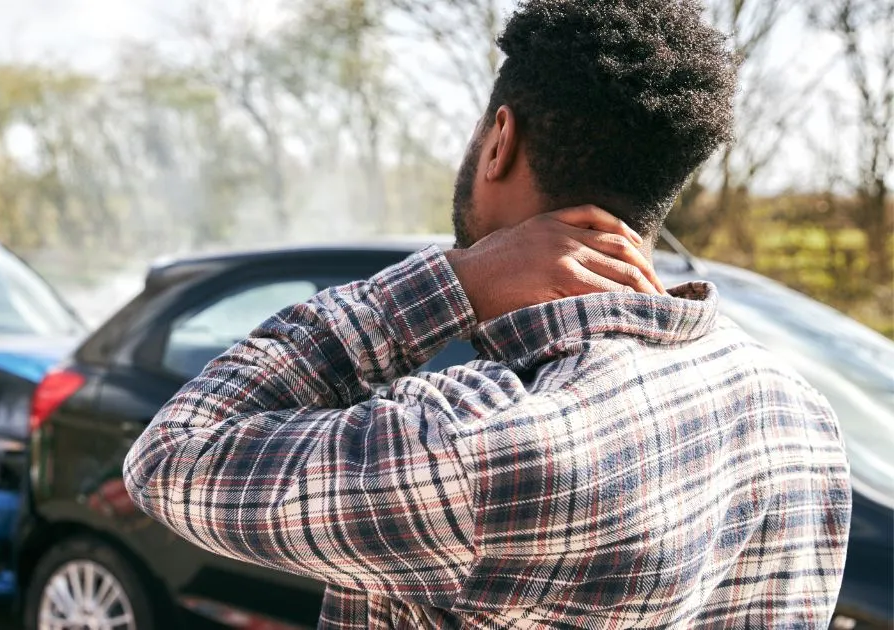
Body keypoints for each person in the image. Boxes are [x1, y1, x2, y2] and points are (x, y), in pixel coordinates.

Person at [123, 0, 852, 627]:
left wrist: (454, 282)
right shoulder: (797, 413)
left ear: (500, 140)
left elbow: (173, 455)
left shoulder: (478, 444)